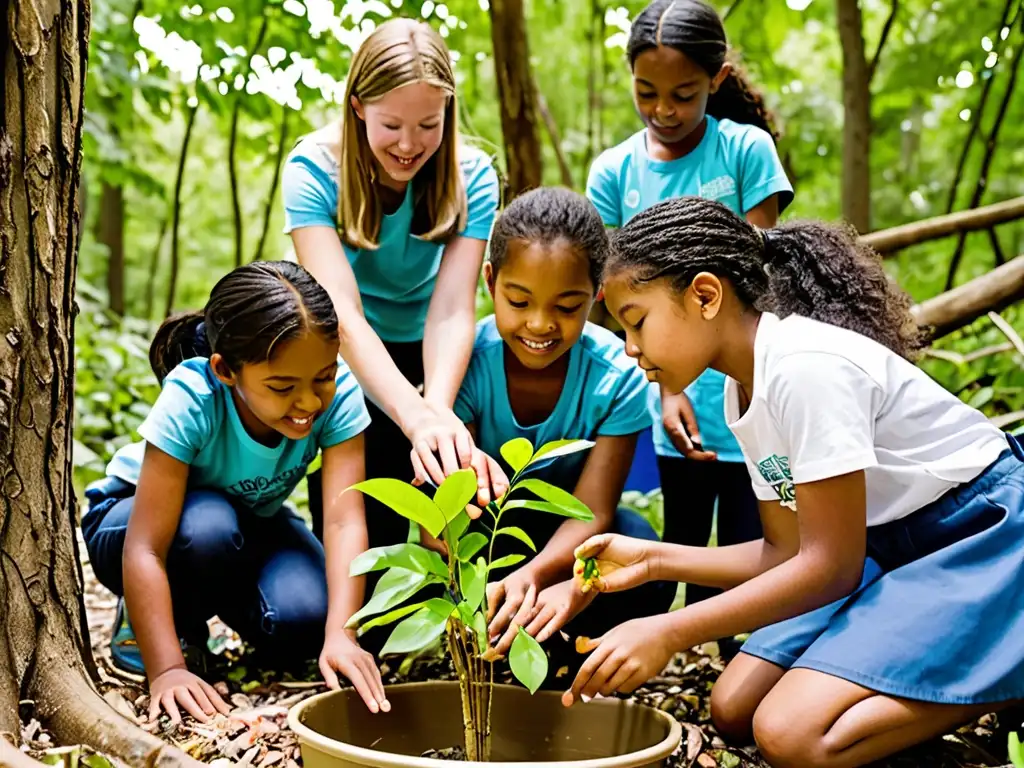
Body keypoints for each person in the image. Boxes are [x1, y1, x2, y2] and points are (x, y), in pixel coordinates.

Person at [560, 196, 1023, 767]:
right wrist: (653, 560)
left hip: (981, 534)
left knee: (792, 735)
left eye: (637, 321)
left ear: (705, 296)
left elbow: (830, 567)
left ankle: (1010, 664)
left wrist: (669, 630)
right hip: (888, 547)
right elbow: (788, 552)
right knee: (733, 707)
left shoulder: (806, 369)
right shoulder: (745, 387)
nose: (630, 347)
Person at [81, 262, 390, 724]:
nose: (308, 402)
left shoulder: (340, 391)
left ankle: (209, 612)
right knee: (207, 526)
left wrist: (341, 634)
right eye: (282, 387)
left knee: (307, 618)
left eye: (321, 378)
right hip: (135, 525)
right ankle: (153, 627)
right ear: (227, 370)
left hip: (252, 518)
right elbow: (145, 547)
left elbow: (345, 519)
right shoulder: (193, 396)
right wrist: (167, 670)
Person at [586, 0, 793, 613]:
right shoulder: (614, 173)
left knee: (749, 553)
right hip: (669, 396)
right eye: (646, 92)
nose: (662, 111)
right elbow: (614, 300)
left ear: (718, 80)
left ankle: (738, 662)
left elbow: (762, 279)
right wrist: (666, 387)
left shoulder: (744, 152)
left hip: (746, 394)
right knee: (679, 543)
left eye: (683, 94)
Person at [283, 18, 503, 548]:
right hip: (348, 356)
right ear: (358, 106)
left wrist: (439, 412)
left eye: (429, 125)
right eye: (391, 125)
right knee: (365, 531)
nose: (410, 144)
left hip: (435, 354)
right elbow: (343, 315)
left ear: (449, 109)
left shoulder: (474, 177)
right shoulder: (313, 170)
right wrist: (414, 417)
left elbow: (453, 307)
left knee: (450, 515)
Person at [444, 187, 674, 680]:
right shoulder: (464, 364)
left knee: (637, 548)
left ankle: (575, 651)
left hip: (567, 547)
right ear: (490, 282)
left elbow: (593, 510)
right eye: (519, 300)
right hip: (484, 544)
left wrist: (539, 575)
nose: (540, 323)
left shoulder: (616, 376)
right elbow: (441, 522)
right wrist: (495, 579)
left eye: (567, 307)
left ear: (597, 296)